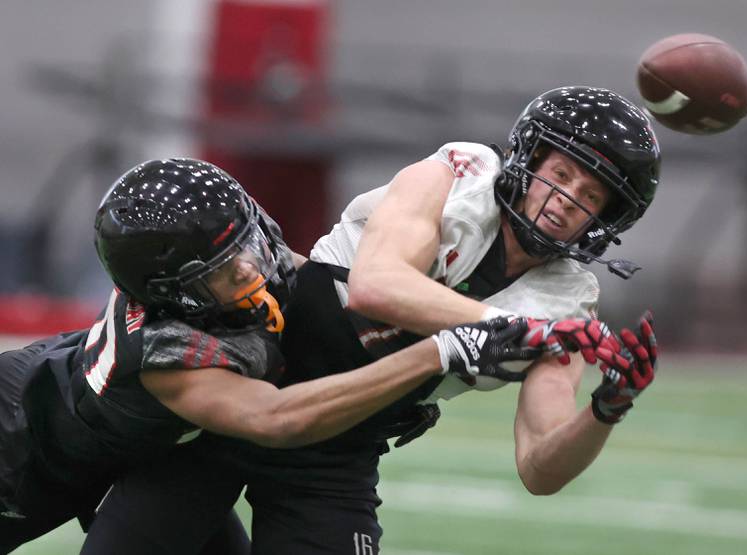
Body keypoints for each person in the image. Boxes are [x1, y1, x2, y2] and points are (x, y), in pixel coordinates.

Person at [79, 86, 659, 555]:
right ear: (528, 159)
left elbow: (540, 468)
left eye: (590, 196)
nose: (565, 201)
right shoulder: (457, 176)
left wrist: (607, 409)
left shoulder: (568, 303)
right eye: (560, 175)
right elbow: (374, 287)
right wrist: (507, 327)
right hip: (242, 389)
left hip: (339, 445)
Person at [0, 157, 591, 554]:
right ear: (176, 295)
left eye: (247, 241)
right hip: (21, 456)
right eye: (224, 270)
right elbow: (278, 418)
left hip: (124, 447)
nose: (255, 266)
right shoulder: (166, 351)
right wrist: (433, 354)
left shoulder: (230, 265)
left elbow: (334, 288)